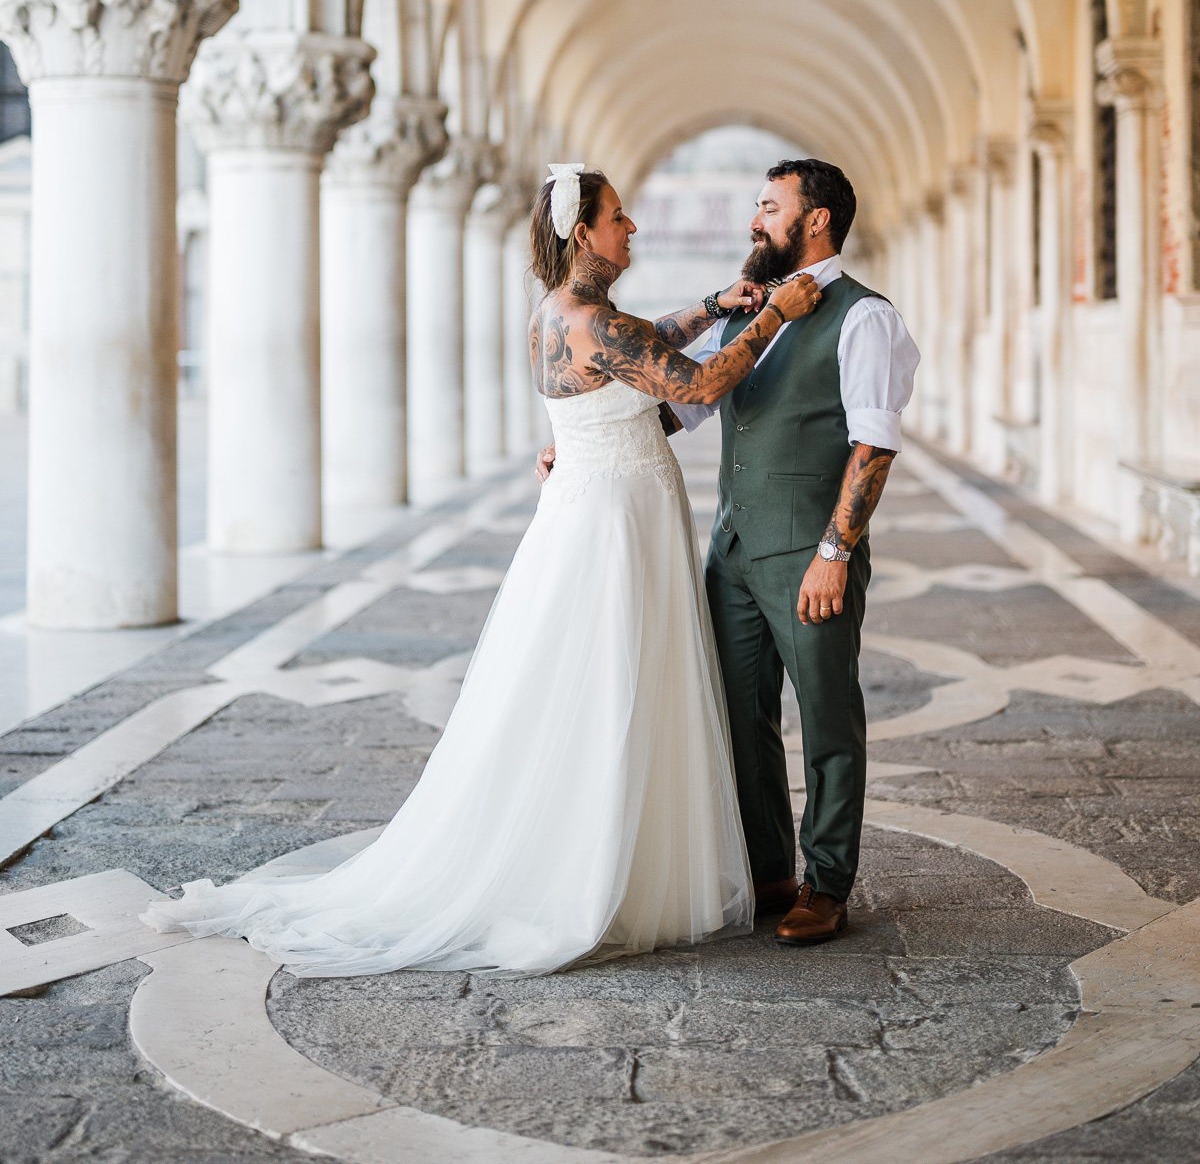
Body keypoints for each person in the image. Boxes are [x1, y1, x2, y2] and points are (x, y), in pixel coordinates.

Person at [142, 163, 819, 976]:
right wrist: (775, 308)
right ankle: (591, 869)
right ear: (584, 234)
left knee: (599, 685)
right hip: (614, 528)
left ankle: (613, 855)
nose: (631, 226)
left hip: (593, 510)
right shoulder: (600, 325)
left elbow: (647, 341)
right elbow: (703, 379)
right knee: (613, 685)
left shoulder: (563, 314)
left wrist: (713, 305)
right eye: (618, 217)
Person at [670, 159, 919, 946]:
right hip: (734, 549)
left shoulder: (863, 316)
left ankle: (828, 882)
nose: (755, 220)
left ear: (816, 221)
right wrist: (572, 449)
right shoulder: (749, 309)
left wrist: (835, 553)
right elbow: (684, 409)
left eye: (770, 207)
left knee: (826, 714)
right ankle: (771, 867)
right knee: (741, 716)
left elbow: (873, 446)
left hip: (809, 554)